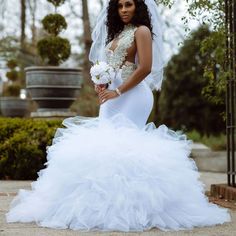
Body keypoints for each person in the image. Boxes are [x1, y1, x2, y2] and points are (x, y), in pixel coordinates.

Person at [6, 0, 231, 232]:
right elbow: (111, 66)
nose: (124, 9)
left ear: (137, 7)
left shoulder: (142, 31)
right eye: (120, 5)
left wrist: (119, 90)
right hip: (111, 97)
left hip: (133, 96)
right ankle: (100, 206)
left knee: (126, 146)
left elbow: (145, 67)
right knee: (104, 145)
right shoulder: (116, 33)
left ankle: (136, 208)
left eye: (129, 4)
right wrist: (102, 83)